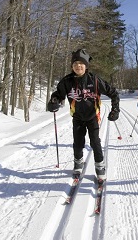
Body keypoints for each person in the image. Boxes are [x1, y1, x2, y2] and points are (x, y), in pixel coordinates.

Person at [47, 49, 120, 180]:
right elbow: (58, 95)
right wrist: (53, 102)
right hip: (77, 117)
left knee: (95, 142)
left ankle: (99, 166)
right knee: (78, 142)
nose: (78, 66)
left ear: (86, 66)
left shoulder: (95, 80)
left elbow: (113, 93)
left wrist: (115, 110)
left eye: (81, 63)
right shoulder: (67, 81)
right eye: (75, 64)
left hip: (93, 116)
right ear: (72, 66)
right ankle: (78, 163)